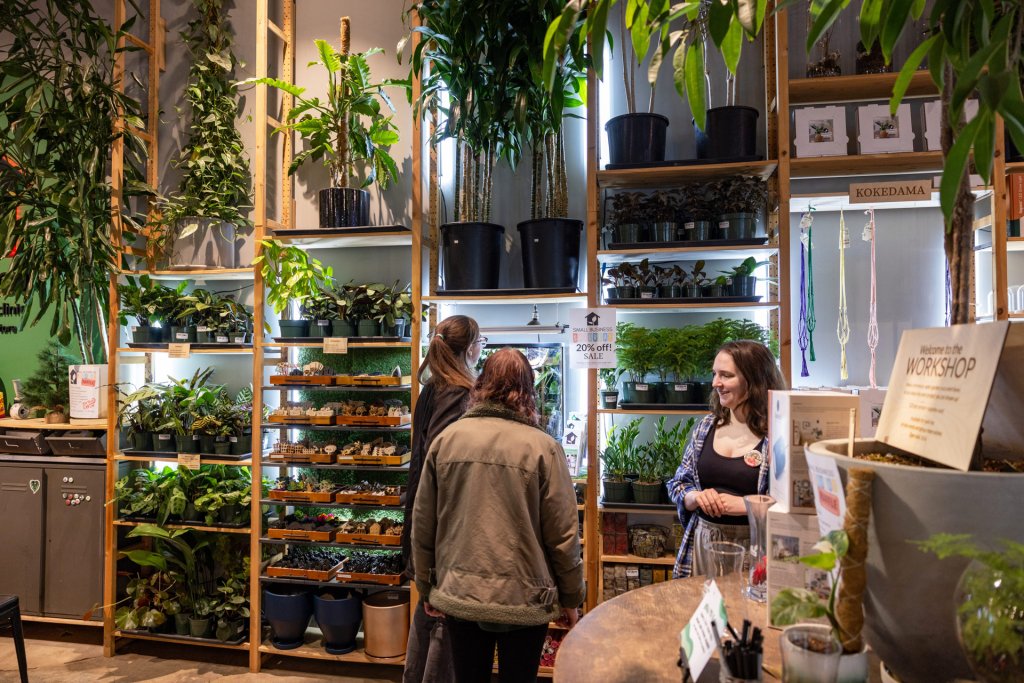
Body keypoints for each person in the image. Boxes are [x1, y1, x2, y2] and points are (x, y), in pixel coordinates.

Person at [412, 348, 584, 683]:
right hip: (526, 598)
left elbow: (423, 522)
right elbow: (563, 536)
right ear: (528, 389)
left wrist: (425, 584)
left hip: (460, 592)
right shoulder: (544, 448)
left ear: (481, 383)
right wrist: (571, 597)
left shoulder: (447, 440)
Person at [402, 315, 483, 683]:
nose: (481, 349)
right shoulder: (457, 392)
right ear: (469, 349)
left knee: (429, 612)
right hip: (443, 522)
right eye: (480, 342)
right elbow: (445, 462)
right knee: (444, 623)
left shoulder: (433, 387)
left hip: (428, 516)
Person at [667, 340, 786, 579]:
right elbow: (678, 483)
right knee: (701, 603)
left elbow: (792, 504)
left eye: (726, 375)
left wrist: (745, 505)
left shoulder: (778, 435)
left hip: (754, 547)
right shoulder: (706, 427)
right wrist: (695, 497)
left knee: (746, 604)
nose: (715, 383)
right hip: (702, 542)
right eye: (715, 374)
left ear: (755, 380)